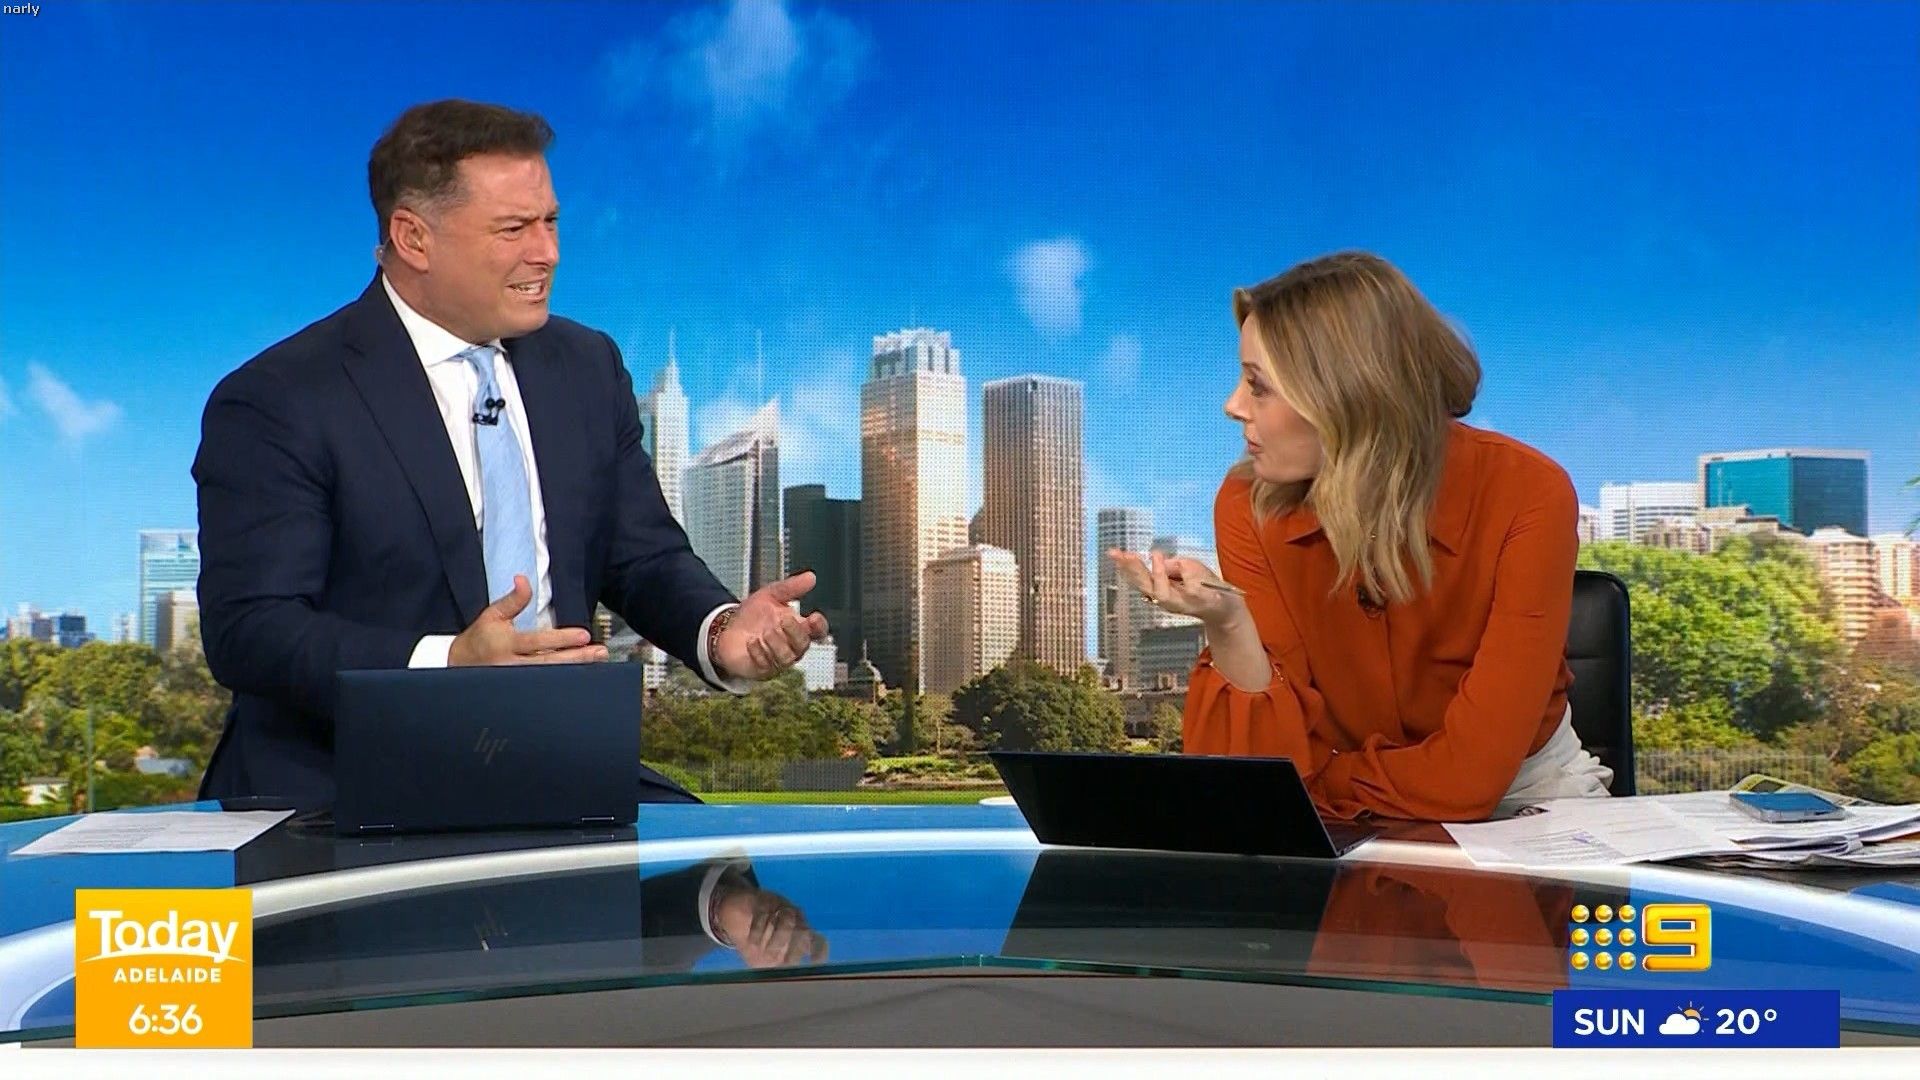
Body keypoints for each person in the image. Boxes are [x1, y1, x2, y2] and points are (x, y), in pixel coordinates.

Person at [193, 100, 827, 810]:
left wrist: (719, 630)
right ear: (413, 238)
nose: (547, 253)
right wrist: (448, 663)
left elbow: (642, 557)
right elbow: (251, 629)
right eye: (514, 229)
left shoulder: (586, 367)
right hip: (344, 783)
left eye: (550, 222)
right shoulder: (280, 398)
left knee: (724, 873)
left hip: (546, 762)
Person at [1109, 251, 1610, 822]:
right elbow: (1260, 775)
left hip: (1523, 792)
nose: (1233, 406)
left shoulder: (1530, 492)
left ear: (1348, 396)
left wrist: (1316, 778)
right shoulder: (1244, 503)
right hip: (1339, 802)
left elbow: (1468, 777)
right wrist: (1229, 623)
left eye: (1258, 386)